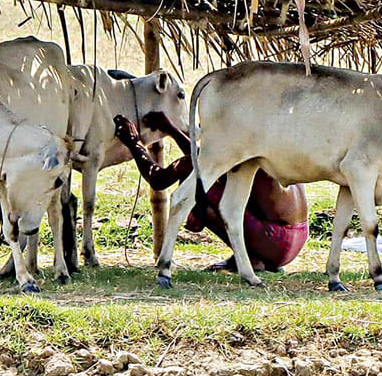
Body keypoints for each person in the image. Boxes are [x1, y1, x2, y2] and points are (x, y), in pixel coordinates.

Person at [113, 115, 309, 272]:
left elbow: (159, 179)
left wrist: (133, 142)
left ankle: (252, 258)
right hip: (298, 237)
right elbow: (199, 157)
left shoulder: (230, 154)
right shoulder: (253, 144)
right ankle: (251, 255)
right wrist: (171, 129)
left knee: (194, 186)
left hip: (273, 242)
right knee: (204, 181)